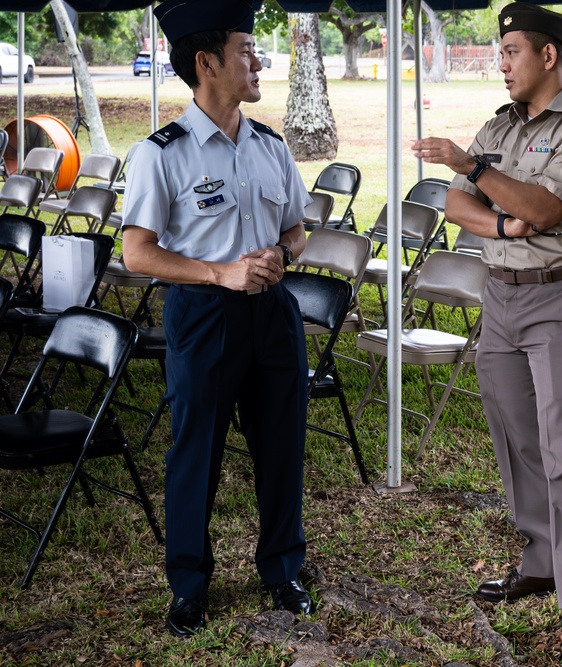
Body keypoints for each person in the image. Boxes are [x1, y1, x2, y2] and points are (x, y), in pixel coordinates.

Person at [412, 3, 562, 664]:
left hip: (557, 299)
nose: (500, 64)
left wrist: (478, 170)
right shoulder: (499, 126)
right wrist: (499, 225)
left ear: (548, 57)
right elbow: (455, 205)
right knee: (517, 439)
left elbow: (545, 207)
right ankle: (541, 557)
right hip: (498, 297)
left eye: (510, 52)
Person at [122, 0, 314, 637]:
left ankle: (284, 568)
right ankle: (188, 583)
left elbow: (298, 227)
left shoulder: (269, 145)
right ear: (206, 63)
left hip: (273, 315)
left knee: (282, 445)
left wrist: (282, 254)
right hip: (204, 316)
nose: (257, 62)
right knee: (195, 451)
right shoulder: (162, 154)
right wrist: (219, 272)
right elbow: (137, 251)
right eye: (245, 51)